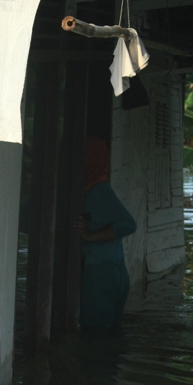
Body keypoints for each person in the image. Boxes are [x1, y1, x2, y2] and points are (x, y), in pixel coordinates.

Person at [73, 137, 137, 331]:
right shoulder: (90, 189)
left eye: (84, 157)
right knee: (107, 335)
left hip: (102, 277)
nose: (79, 162)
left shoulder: (99, 191)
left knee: (96, 336)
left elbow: (129, 224)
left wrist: (91, 235)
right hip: (108, 273)